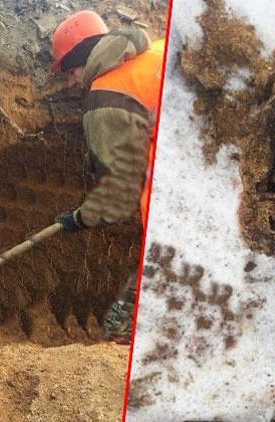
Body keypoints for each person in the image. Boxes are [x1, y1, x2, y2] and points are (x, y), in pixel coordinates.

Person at [50, 11, 164, 344]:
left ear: (83, 57)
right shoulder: (152, 50)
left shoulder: (106, 95)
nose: (72, 82)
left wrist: (80, 219)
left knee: (119, 329)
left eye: (70, 71)